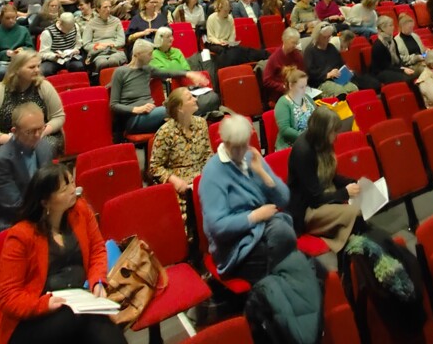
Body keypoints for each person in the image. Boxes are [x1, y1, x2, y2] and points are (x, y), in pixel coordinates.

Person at [0, 164, 125, 344]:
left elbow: (97, 250)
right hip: (32, 317)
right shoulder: (21, 236)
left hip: (78, 302)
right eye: (64, 189)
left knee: (97, 319)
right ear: (45, 202)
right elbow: (8, 298)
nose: (73, 190)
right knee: (84, 316)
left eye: (72, 183)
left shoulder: (81, 211)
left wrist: (97, 282)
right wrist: (45, 304)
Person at [198, 115, 294, 284]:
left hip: (263, 230)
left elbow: (284, 199)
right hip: (234, 246)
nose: (242, 151)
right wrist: (254, 216)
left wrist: (263, 174)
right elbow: (217, 226)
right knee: (286, 265)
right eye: (237, 147)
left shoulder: (251, 158)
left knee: (287, 242)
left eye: (245, 144)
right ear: (226, 142)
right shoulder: (212, 173)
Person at [287, 107, 361, 253]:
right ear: (323, 131)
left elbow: (331, 176)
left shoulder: (322, 142)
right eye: (334, 132)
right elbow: (315, 198)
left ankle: (351, 249)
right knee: (355, 213)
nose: (337, 136)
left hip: (324, 195)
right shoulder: (303, 151)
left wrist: (352, 182)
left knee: (357, 218)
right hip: (307, 209)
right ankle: (347, 250)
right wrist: (345, 193)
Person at [0, 102, 57, 243]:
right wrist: (53, 208)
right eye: (30, 131)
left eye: (40, 129)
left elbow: (49, 184)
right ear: (14, 131)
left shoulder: (44, 146)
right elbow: (14, 206)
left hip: (39, 215)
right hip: (10, 224)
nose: (37, 135)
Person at [0, 51, 65, 162]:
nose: (37, 70)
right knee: (7, 158)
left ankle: (41, 173)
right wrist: (13, 140)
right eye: (32, 67)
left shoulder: (44, 86)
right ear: (17, 70)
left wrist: (40, 133)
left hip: (42, 137)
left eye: (38, 66)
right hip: (6, 141)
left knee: (40, 150)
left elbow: (58, 116)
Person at [110, 40, 212, 134]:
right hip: (134, 118)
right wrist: (137, 109)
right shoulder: (120, 72)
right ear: (138, 54)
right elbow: (114, 105)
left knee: (185, 107)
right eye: (150, 54)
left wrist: (188, 74)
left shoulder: (147, 69)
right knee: (174, 109)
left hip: (153, 113)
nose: (152, 57)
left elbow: (168, 73)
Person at [148, 88, 213, 228]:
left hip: (202, 178)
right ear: (180, 108)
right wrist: (174, 180)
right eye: (190, 98)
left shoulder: (201, 124)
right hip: (180, 185)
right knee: (188, 220)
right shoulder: (165, 132)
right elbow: (155, 167)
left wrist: (209, 176)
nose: (195, 99)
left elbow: (208, 154)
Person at [305, 23, 378, 97]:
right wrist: (327, 75)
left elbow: (340, 63)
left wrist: (345, 71)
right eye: (324, 37)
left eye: (329, 37)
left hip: (336, 77)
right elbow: (310, 73)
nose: (327, 39)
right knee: (340, 92)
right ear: (318, 37)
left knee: (353, 88)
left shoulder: (331, 47)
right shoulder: (310, 51)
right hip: (321, 81)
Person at [205, 0, 268, 68]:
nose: (227, 13)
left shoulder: (230, 18)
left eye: (228, 10)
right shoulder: (211, 18)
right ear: (219, 8)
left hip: (227, 43)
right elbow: (210, 36)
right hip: (215, 44)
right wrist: (219, 42)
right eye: (225, 11)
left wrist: (229, 42)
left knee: (242, 50)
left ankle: (265, 55)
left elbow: (232, 34)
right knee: (226, 52)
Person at [0, 5, 34, 81]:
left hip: (20, 62)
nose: (11, 20)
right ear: (1, 18)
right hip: (0, 64)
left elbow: (31, 49)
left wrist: (23, 50)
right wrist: (4, 54)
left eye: (13, 18)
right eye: (7, 18)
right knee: (4, 72)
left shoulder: (23, 30)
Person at [274, 68, 316, 151]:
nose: (304, 90)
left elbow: (317, 117)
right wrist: (307, 137)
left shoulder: (307, 98)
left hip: (310, 142)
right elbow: (285, 130)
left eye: (306, 86)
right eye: (301, 87)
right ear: (291, 86)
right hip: (291, 146)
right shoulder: (283, 103)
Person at [81, 0, 126, 74]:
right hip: (98, 52)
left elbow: (121, 41)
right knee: (102, 63)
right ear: (98, 9)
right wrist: (97, 46)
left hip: (115, 50)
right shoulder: (91, 23)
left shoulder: (116, 21)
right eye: (105, 7)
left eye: (109, 7)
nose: (108, 10)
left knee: (113, 61)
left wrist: (111, 45)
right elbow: (86, 44)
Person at [262, 28, 305, 100]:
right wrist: (283, 86)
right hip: (280, 94)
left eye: (296, 43)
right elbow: (266, 81)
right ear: (284, 40)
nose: (295, 46)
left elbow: (302, 73)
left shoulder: (297, 56)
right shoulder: (274, 58)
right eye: (293, 43)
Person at [370, 16, 415, 84]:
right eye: (390, 25)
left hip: (393, 68)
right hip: (381, 72)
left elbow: (398, 58)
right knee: (407, 78)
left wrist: (403, 67)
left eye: (392, 25)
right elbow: (385, 66)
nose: (393, 27)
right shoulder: (378, 45)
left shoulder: (392, 40)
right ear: (383, 28)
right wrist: (402, 70)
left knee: (413, 73)